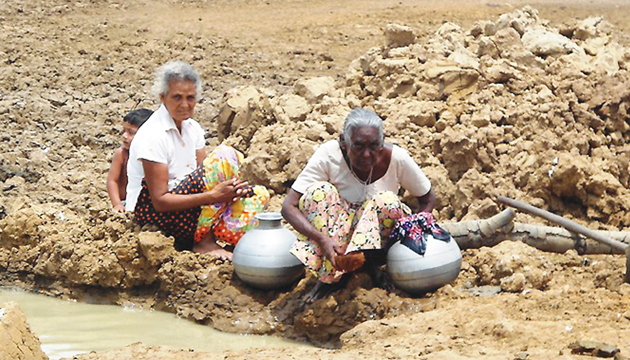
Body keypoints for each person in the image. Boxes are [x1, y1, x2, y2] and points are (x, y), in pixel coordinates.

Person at [281, 107, 436, 299]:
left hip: (380, 243)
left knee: (386, 201)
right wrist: (322, 239)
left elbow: (427, 198)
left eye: (373, 146)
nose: (366, 154)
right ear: (344, 143)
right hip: (337, 243)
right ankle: (333, 275)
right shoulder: (329, 154)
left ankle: (371, 267)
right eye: (358, 146)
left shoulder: (397, 158)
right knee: (319, 193)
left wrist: (415, 233)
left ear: (382, 143)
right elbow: (289, 207)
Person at [126, 61, 269, 259]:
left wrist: (227, 193)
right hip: (155, 215)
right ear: (162, 98)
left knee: (258, 195)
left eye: (190, 98)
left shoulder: (192, 128)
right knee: (226, 156)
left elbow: (203, 176)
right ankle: (204, 241)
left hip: (189, 209)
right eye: (177, 97)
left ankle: (220, 237)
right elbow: (159, 201)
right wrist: (214, 197)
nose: (184, 104)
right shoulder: (152, 134)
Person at [106, 108, 153, 212]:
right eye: (124, 131)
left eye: (131, 132)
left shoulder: (153, 155)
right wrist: (117, 204)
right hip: (125, 203)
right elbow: (112, 180)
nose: (124, 136)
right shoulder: (122, 154)